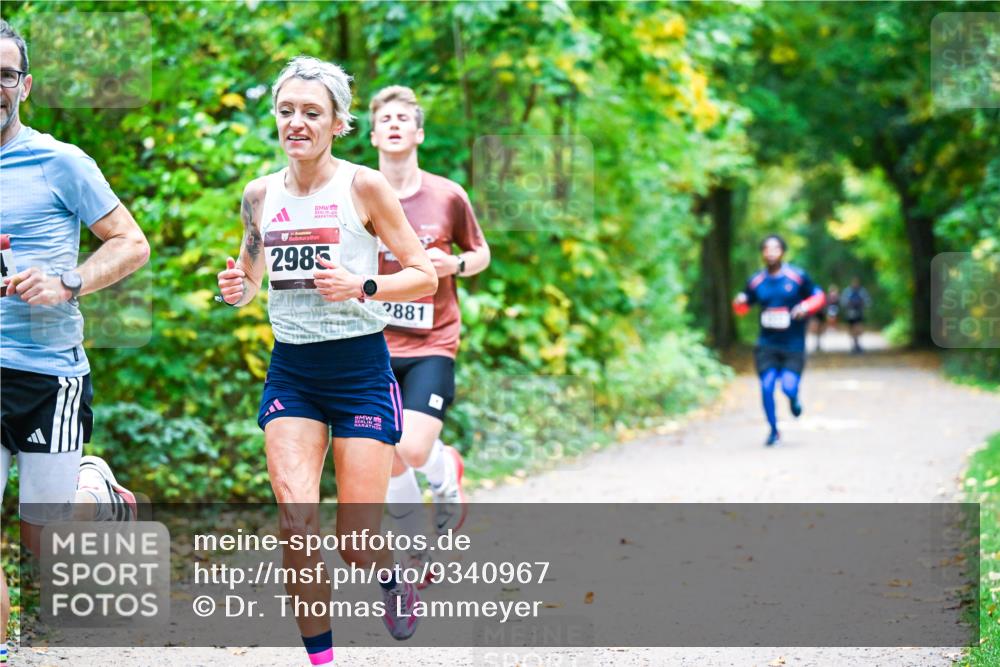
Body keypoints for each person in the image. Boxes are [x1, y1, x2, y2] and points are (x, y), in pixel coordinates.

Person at [216, 57, 437, 664]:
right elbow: (251, 277)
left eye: (311, 112)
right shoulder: (259, 194)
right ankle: (322, 660)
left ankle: (392, 575)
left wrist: (363, 287)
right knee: (296, 525)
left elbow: (422, 278)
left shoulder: (364, 186)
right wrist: (239, 288)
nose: (297, 123)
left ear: (338, 122)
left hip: (361, 370)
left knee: (357, 543)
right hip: (293, 371)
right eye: (287, 111)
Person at [0, 20, 150, 659]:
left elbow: (131, 243)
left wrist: (68, 281)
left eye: (4, 75)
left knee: (47, 539)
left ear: (24, 86)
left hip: (47, 372)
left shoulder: (58, 161)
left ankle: (96, 494)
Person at [368, 85, 490, 584]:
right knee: (385, 450)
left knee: (411, 449)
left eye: (404, 119)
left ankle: (444, 472)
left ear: (418, 133)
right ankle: (414, 551)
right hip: (371, 343)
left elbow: (481, 253)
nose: (394, 125)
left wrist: (454, 264)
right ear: (372, 133)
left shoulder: (446, 195)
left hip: (432, 342)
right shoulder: (358, 193)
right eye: (385, 119)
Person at [733, 235, 825, 446]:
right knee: (766, 386)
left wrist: (805, 307)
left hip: (793, 345)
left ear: (783, 251)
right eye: (767, 249)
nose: (771, 252)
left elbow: (818, 296)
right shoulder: (756, 281)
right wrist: (739, 302)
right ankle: (774, 430)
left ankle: (793, 398)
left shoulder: (797, 277)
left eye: (775, 249)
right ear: (762, 253)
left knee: (788, 387)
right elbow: (742, 307)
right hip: (767, 345)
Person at [841, 277, 871, 353]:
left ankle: (857, 344)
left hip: (859, 313)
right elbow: (843, 301)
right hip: (850, 313)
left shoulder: (862, 291)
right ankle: (854, 345)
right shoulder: (847, 291)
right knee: (851, 329)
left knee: (858, 328)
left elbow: (868, 301)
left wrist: (862, 304)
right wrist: (849, 304)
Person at [811, 283, 839, 353]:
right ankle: (817, 343)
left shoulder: (824, 297)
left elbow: (827, 305)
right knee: (817, 328)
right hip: (817, 314)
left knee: (820, 329)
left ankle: (819, 343)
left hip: (821, 314)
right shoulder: (815, 296)